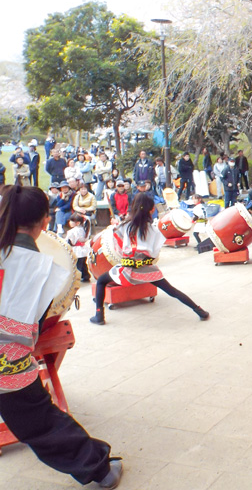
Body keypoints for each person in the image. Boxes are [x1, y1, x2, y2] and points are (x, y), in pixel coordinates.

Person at [0, 185, 123, 488]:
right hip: (6, 363)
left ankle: (97, 459)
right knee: (41, 423)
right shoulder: (42, 268)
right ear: (45, 222)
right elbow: (33, 324)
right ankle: (99, 469)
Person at [90, 193, 209, 325]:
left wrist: (114, 225)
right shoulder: (154, 229)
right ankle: (200, 311)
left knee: (101, 281)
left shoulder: (125, 225)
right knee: (172, 291)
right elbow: (155, 252)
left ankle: (99, 315)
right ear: (151, 210)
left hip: (127, 272)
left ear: (134, 207)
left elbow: (114, 237)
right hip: (148, 271)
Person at [66, 213, 91, 283]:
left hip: (77, 250)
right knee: (83, 264)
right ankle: (86, 276)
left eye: (71, 221)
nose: (70, 222)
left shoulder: (72, 231)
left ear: (78, 223)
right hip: (84, 249)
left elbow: (71, 242)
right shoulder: (84, 229)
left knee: (77, 266)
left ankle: (77, 278)